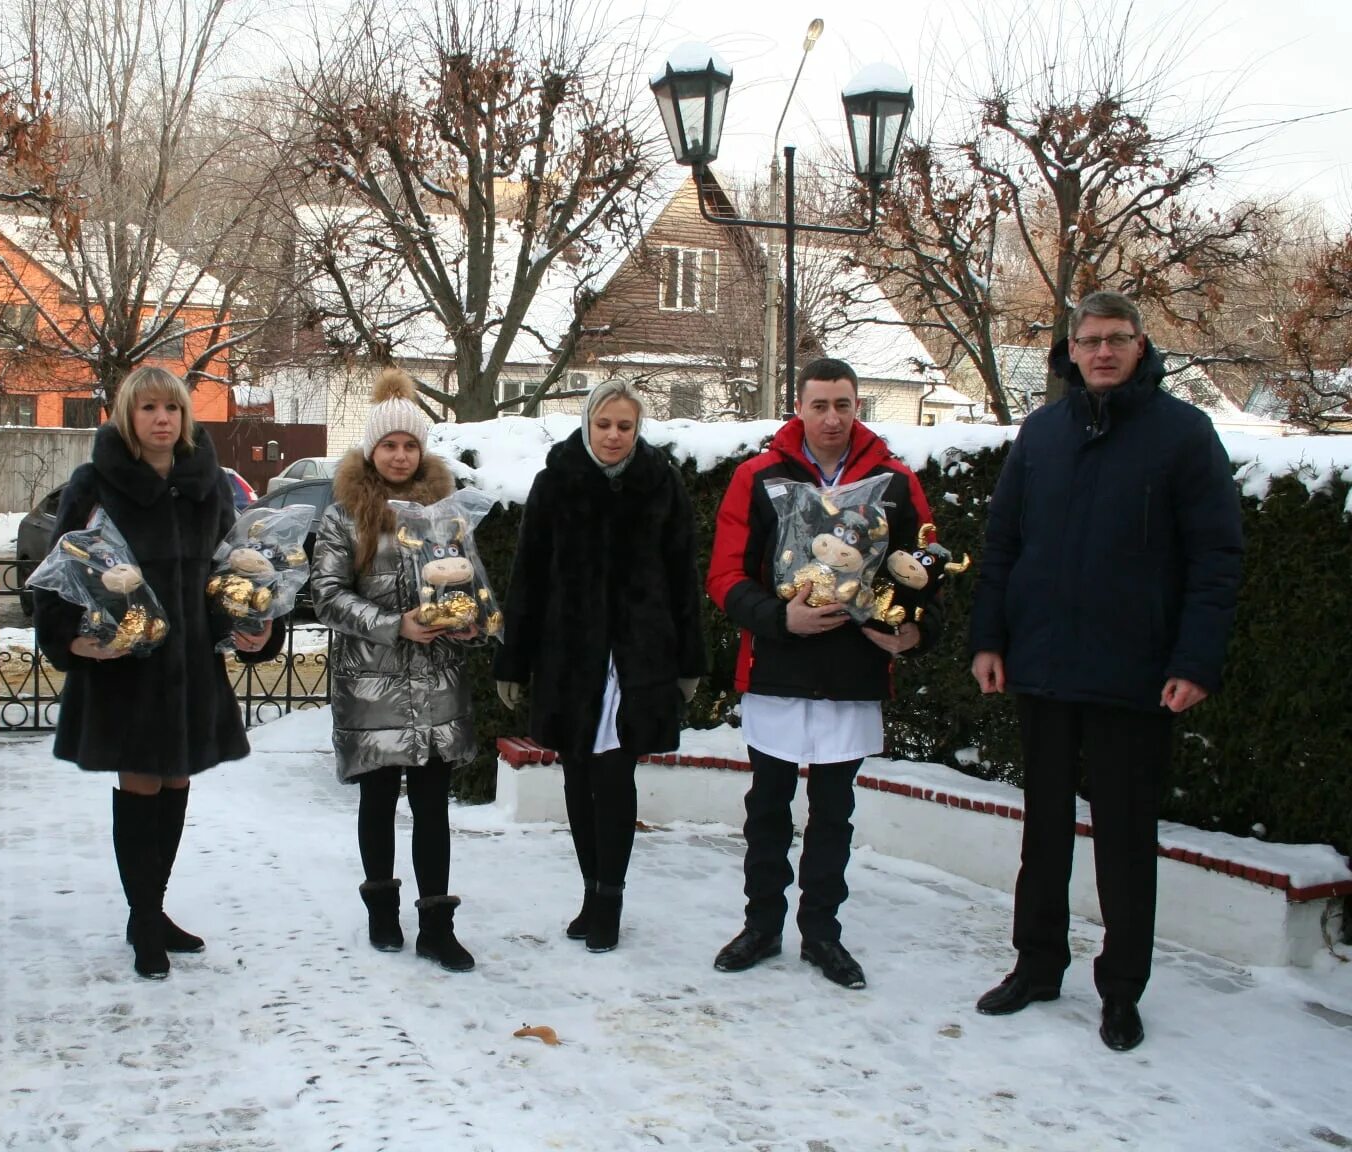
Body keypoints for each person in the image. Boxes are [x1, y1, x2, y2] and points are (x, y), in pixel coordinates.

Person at [968, 291, 1243, 1052]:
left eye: (1117, 339)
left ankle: (1121, 989)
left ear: (1141, 344)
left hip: (1137, 674)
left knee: (1125, 840)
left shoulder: (1183, 434)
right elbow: (1003, 544)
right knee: (1044, 832)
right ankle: (1037, 964)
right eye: (1089, 340)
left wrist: (1195, 660)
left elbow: (1216, 559)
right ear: (1071, 348)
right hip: (1045, 665)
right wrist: (989, 639)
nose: (1102, 352)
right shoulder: (1043, 432)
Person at [33, 365, 282, 981]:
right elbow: (59, 576)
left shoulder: (209, 485)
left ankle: (154, 906)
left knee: (176, 786)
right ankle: (143, 919)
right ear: (127, 417)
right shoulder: (94, 485)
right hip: (126, 667)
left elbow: (233, 570)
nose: (161, 419)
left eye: (171, 408)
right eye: (147, 409)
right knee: (140, 785)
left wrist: (254, 623)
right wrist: (71, 642)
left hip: (192, 665)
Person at [705, 358, 936, 989]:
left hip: (852, 673)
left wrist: (912, 631)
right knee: (768, 811)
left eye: (843, 405)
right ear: (798, 408)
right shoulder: (758, 477)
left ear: (858, 406)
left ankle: (823, 934)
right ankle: (761, 926)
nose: (832, 418)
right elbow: (725, 576)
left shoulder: (894, 482)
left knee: (835, 814)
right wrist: (782, 620)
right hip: (779, 665)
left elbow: (923, 574)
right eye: (820, 405)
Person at [493, 379, 706, 952]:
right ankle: (590, 893)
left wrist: (688, 660)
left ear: (638, 430)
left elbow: (684, 574)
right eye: (604, 424)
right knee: (577, 777)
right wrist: (513, 661)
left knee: (614, 779)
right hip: (570, 656)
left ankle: (609, 900)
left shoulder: (660, 483)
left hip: (637, 658)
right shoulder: (555, 483)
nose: (614, 436)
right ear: (587, 423)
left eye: (626, 426)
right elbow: (528, 576)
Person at [310, 367, 478, 973]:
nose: (401, 455)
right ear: (371, 451)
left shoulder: (448, 513)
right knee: (378, 802)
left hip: (437, 684)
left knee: (434, 806)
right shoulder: (342, 517)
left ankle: (437, 924)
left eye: (410, 445)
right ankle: (383, 911)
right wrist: (393, 625)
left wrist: (470, 619)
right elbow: (326, 595)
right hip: (371, 684)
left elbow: (468, 585)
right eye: (390, 445)